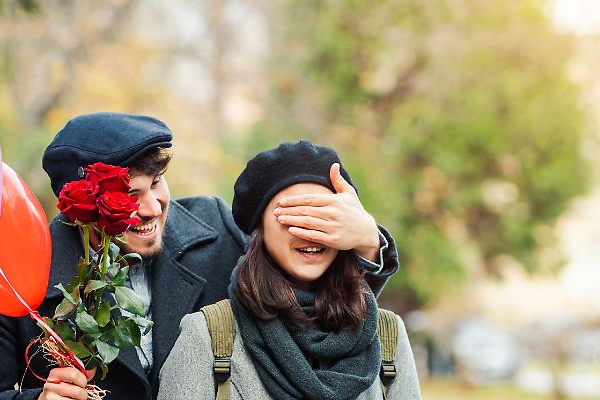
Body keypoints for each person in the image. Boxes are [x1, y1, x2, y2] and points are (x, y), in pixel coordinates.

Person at [0, 114, 401, 400]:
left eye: (156, 184)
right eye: (128, 195)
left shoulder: (217, 229)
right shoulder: (20, 270)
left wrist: (367, 242)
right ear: (78, 206)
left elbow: (316, 308)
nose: (152, 207)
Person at [158, 141, 421, 400]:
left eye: (324, 216)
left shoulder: (388, 336)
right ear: (259, 228)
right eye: (292, 214)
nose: (309, 231)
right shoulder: (208, 337)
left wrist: (370, 239)